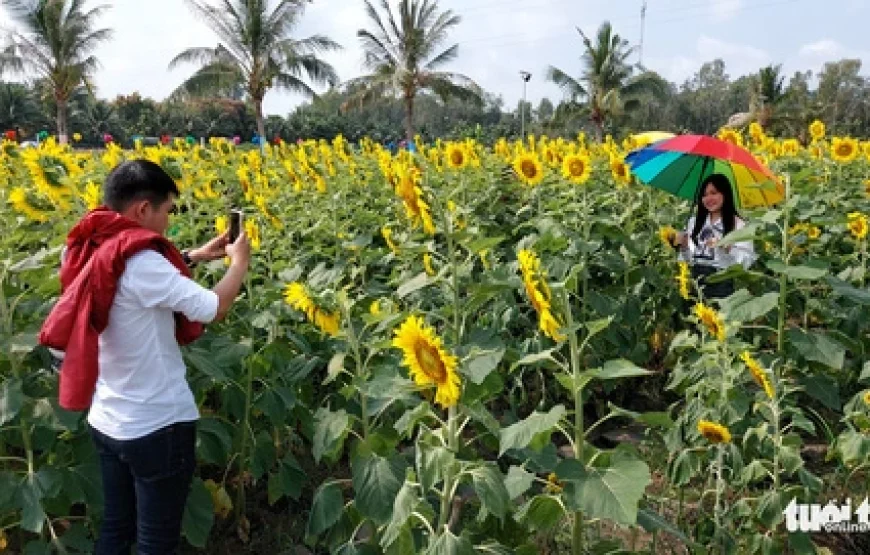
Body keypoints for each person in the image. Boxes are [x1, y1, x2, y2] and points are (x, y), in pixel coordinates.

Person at [39, 159, 250, 555]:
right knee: (156, 542)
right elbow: (213, 307)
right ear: (141, 210)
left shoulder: (93, 245)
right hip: (157, 426)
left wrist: (195, 256)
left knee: (116, 530)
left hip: (108, 422)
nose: (169, 221)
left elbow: (128, 282)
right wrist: (239, 264)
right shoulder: (143, 263)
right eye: (167, 211)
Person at [670, 173, 756, 299]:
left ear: (725, 194)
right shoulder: (694, 222)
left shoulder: (739, 225)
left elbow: (747, 261)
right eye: (704, 195)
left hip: (720, 282)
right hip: (694, 282)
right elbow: (687, 260)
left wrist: (727, 247)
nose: (708, 198)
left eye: (714, 193)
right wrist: (683, 247)